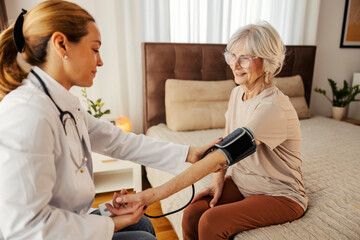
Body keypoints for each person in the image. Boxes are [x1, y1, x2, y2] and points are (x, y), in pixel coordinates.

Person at [0, 1, 213, 239]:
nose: (100, 61)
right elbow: (26, 230)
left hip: (68, 217)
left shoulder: (63, 103)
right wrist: (112, 225)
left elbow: (118, 141)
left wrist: (188, 152)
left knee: (141, 225)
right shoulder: (27, 114)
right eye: (94, 49)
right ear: (61, 44)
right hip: (44, 232)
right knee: (143, 237)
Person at [116, 22, 307, 240]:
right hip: (245, 183)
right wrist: (218, 181)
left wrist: (150, 196)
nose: (235, 65)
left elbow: (220, 157)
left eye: (245, 58)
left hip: (280, 195)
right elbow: (225, 142)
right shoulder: (237, 94)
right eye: (232, 56)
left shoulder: (273, 107)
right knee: (192, 214)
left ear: (268, 62)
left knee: (211, 221)